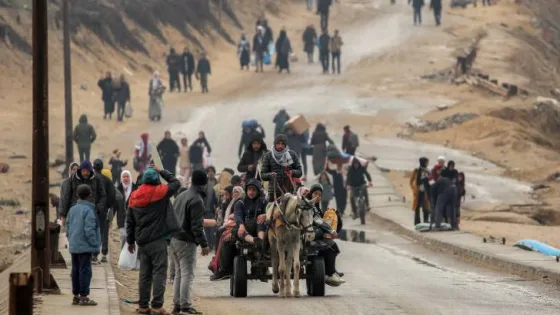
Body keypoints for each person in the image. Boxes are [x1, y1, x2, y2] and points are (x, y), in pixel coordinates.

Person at [126, 166, 181, 315]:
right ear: (156, 180)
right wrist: (162, 170)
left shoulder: (134, 195)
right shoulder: (160, 192)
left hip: (142, 242)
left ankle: (143, 306)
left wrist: (130, 241)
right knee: (159, 272)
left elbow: (129, 221)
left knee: (144, 274)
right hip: (158, 240)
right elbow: (176, 183)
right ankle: (157, 306)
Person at [171, 170, 210, 315]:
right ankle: (185, 306)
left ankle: (177, 305)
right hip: (186, 241)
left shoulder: (181, 195)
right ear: (204, 184)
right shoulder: (197, 200)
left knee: (179, 274)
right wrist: (204, 243)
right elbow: (196, 226)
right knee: (187, 274)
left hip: (175, 239)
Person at [66, 184, 100, 306]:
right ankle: (84, 296)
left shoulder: (72, 209)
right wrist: (95, 243)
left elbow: (68, 226)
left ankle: (75, 296)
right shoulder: (89, 210)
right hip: (85, 246)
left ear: (77, 195)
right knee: (85, 271)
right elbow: (89, 229)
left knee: (75, 270)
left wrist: (71, 239)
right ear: (90, 195)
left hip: (74, 245)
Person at [306, 184, 345, 286]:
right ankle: (330, 273)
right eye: (315, 194)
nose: (317, 196)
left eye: (319, 194)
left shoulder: (316, 207)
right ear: (311, 194)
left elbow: (321, 219)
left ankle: (331, 271)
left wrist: (335, 216)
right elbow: (317, 221)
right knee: (331, 246)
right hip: (307, 237)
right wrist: (330, 231)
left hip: (314, 236)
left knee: (331, 245)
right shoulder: (309, 206)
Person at [60, 160, 107, 241]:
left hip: (91, 212)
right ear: (80, 170)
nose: (85, 173)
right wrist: (63, 214)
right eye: (84, 171)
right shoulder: (73, 179)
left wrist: (98, 208)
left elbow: (103, 195)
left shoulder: (96, 179)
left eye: (87, 171)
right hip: (75, 212)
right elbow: (66, 196)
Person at [261, 134, 303, 203]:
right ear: (274, 144)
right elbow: (263, 175)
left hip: (290, 193)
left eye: (282, 144)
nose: (280, 146)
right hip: (274, 193)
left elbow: (300, 172)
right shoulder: (268, 156)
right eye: (278, 143)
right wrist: (271, 175)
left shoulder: (292, 155)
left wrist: (292, 172)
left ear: (286, 145)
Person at [93, 159, 116, 263]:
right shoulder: (108, 180)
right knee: (101, 231)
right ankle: (97, 253)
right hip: (102, 211)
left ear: (93, 167)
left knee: (91, 230)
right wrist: (107, 206)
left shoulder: (90, 178)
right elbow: (112, 196)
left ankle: (92, 253)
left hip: (90, 209)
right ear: (102, 168)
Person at [233, 179, 267, 248]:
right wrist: (241, 225)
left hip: (260, 227)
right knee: (237, 229)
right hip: (245, 227)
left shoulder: (263, 201)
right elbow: (238, 215)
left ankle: (261, 241)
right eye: (249, 189)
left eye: (253, 190)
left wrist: (266, 215)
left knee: (260, 220)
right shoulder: (241, 202)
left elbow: (271, 211)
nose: (251, 192)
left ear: (258, 191)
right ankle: (254, 241)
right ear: (246, 190)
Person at [114, 170, 137, 250]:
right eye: (124, 177)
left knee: (132, 236)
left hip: (133, 217)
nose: (126, 178)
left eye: (127, 176)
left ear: (130, 177)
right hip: (121, 217)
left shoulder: (135, 188)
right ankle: (123, 254)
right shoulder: (118, 189)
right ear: (121, 178)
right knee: (123, 236)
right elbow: (114, 205)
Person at [409, 157, 431, 225]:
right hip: (418, 192)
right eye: (426, 162)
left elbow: (430, 181)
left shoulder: (428, 171)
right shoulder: (416, 171)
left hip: (425, 192)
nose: (427, 163)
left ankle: (426, 222)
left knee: (426, 208)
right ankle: (417, 223)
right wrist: (413, 189)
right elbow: (411, 181)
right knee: (417, 208)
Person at [204, 166, 219, 251]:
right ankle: (209, 244)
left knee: (213, 227)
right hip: (204, 209)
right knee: (206, 228)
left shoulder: (217, 183)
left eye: (212, 171)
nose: (210, 172)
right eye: (209, 171)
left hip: (213, 209)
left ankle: (212, 244)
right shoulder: (203, 183)